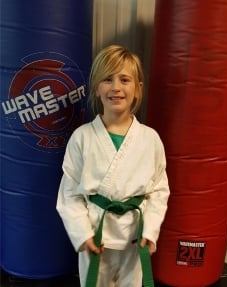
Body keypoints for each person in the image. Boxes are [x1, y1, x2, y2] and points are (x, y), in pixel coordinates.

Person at [56, 44, 170, 287]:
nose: (116, 87)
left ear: (138, 89)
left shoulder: (150, 139)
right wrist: (82, 233)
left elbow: (159, 190)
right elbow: (69, 193)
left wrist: (150, 230)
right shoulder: (82, 138)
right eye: (107, 79)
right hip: (96, 238)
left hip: (134, 237)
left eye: (125, 79)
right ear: (97, 88)